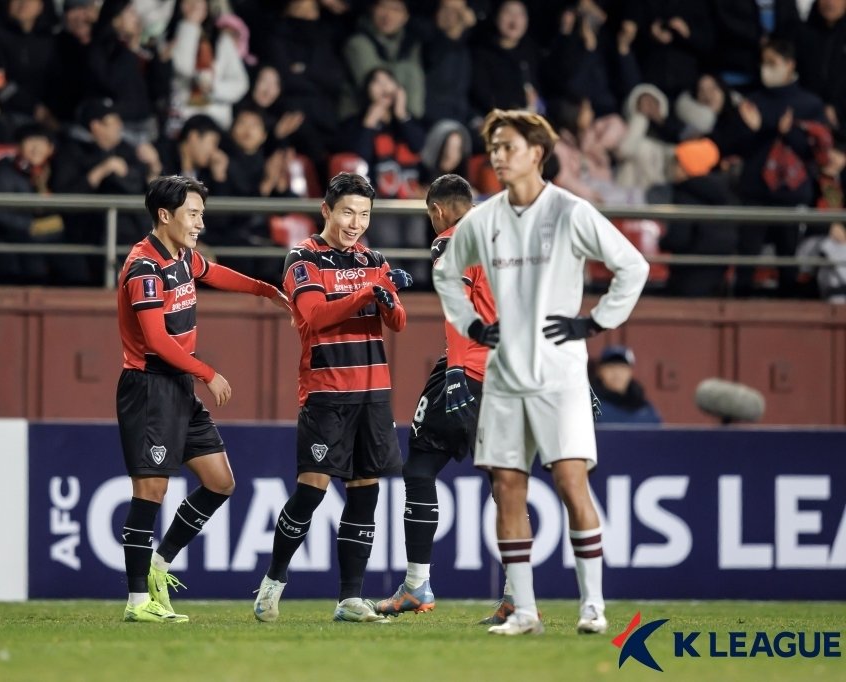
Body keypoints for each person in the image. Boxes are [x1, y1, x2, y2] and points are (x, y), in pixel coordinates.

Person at [432, 109, 649, 636]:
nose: (499, 157)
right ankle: (524, 611)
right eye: (495, 148)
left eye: (508, 147)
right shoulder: (483, 220)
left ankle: (593, 605)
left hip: (560, 372)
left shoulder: (571, 211)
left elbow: (632, 265)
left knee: (572, 484)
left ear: (537, 154)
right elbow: (444, 272)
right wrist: (474, 326)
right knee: (507, 485)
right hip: (504, 373)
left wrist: (594, 323)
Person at [115, 175, 291, 624]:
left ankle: (159, 565)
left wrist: (264, 289)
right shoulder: (143, 269)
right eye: (193, 214)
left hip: (178, 387)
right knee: (150, 491)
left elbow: (216, 273)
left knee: (220, 481)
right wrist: (208, 372)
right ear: (164, 215)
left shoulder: (183, 257)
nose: (199, 223)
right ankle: (138, 602)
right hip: (151, 386)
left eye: (201, 215)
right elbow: (156, 340)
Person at [252, 172, 413, 624]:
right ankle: (273, 582)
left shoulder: (374, 258)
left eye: (364, 215)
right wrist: (367, 290)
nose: (355, 223)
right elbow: (313, 315)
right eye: (347, 212)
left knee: (366, 491)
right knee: (311, 491)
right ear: (326, 210)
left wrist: (387, 298)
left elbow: (397, 322)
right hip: (327, 393)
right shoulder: (302, 258)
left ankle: (349, 599)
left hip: (373, 392)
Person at [372, 173, 504, 621]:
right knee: (506, 482)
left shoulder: (450, 239)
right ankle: (516, 597)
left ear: (437, 211)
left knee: (421, 466)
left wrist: (455, 372)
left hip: (467, 369)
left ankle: (416, 585)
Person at [590, 346, 662, 425]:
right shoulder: (590, 406)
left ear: (630, 371)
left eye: (622, 367)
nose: (617, 373)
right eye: (611, 367)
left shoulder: (645, 409)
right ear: (600, 371)